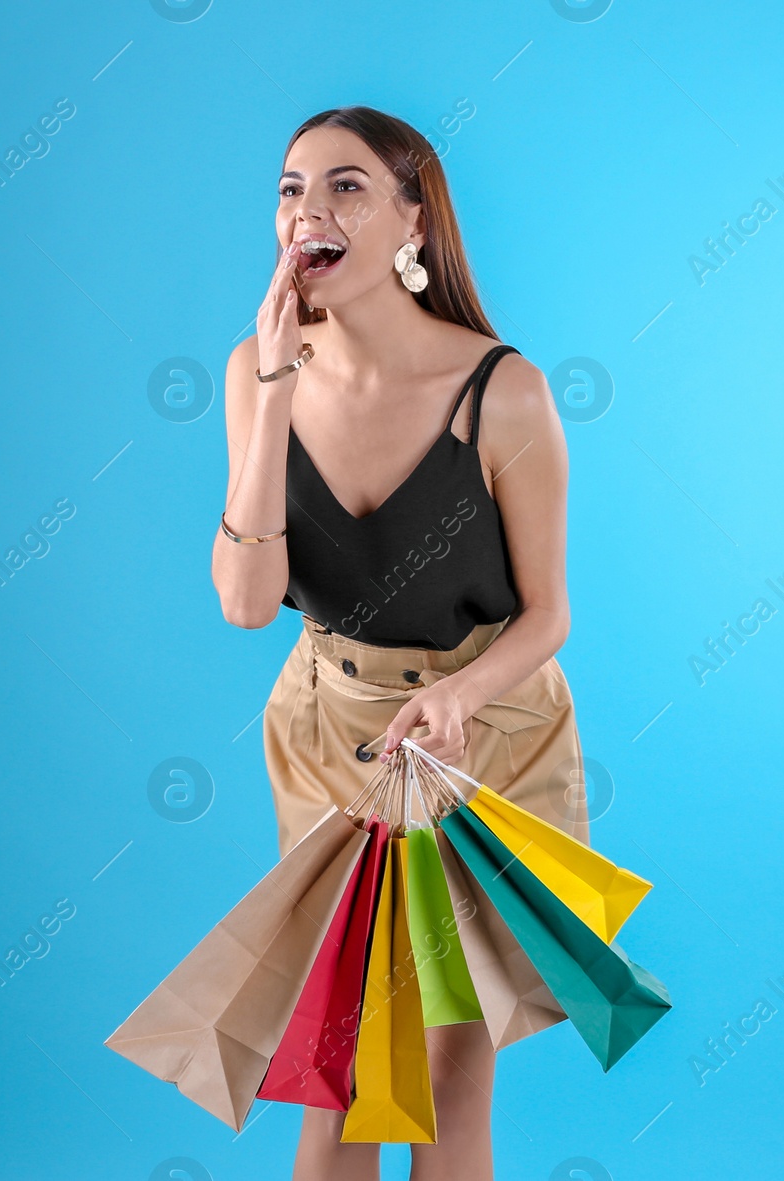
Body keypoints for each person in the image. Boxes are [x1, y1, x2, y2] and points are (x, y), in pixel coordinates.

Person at [210, 104, 590, 1181]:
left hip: (486, 738)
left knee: (448, 1072)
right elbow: (247, 602)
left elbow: (549, 613)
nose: (305, 211)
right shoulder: (253, 370)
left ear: (412, 222)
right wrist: (275, 387)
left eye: (344, 187)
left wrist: (460, 700)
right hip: (334, 735)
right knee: (340, 1077)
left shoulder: (502, 391)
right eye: (289, 188)